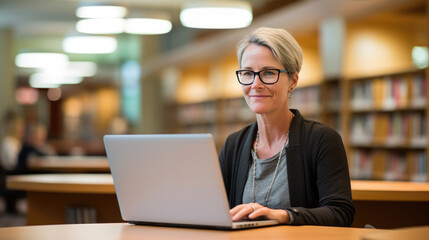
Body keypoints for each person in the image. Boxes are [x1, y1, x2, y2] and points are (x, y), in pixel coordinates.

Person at [219, 27, 355, 226]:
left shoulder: (322, 140)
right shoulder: (234, 144)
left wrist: (283, 215)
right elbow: (217, 210)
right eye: (248, 73)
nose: (255, 84)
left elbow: (340, 213)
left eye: (268, 73)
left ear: (293, 80)